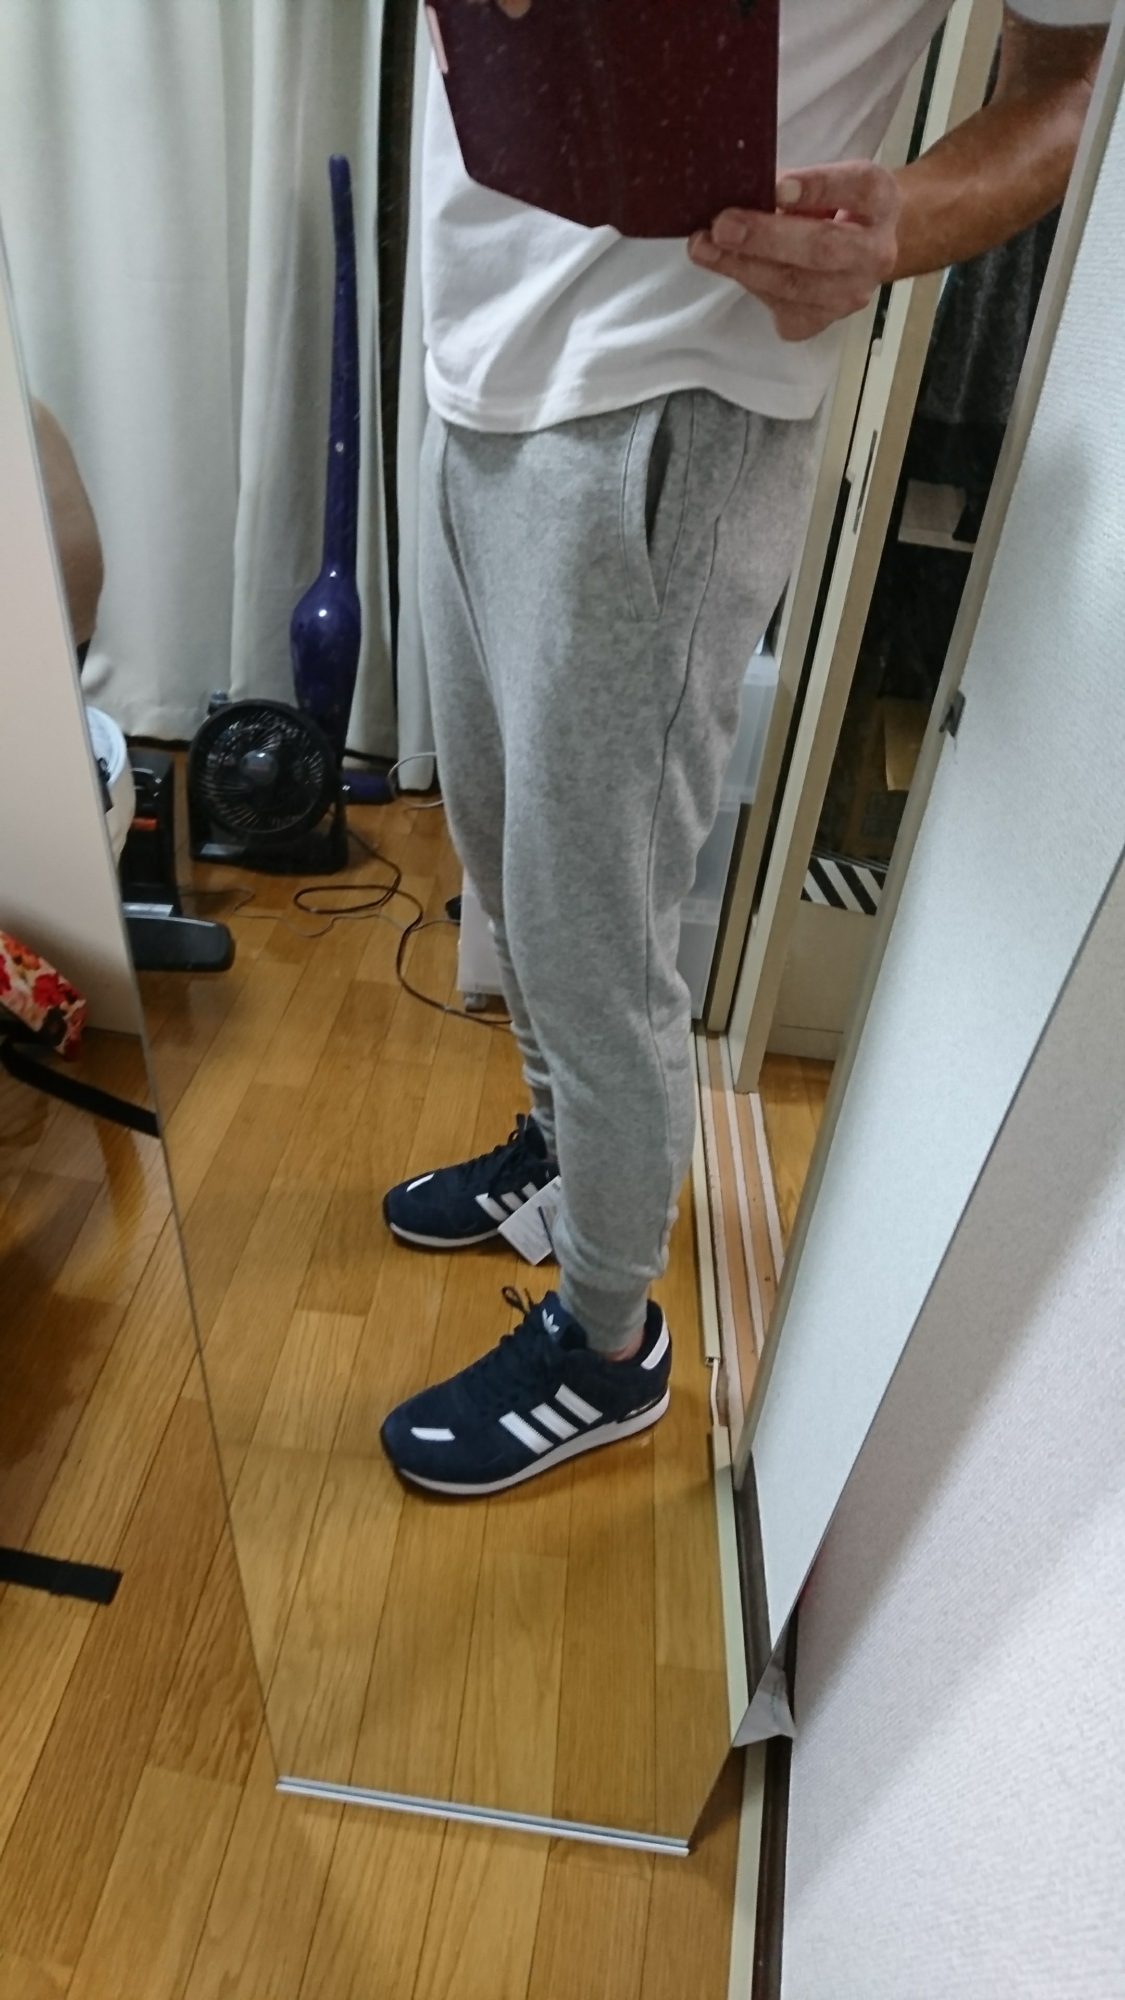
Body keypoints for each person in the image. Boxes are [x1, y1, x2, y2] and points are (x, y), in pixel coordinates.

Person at [380, 0, 1108, 1498]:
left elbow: (1072, 81)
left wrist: (906, 222)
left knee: (598, 924)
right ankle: (561, 1152)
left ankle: (607, 1337)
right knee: (504, 860)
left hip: (676, 383)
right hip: (469, 340)